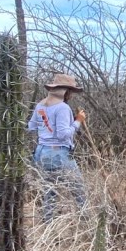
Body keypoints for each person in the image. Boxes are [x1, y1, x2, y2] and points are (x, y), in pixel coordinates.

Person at [27, 73, 87, 219]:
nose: (71, 95)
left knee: (49, 191)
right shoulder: (62, 108)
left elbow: (31, 126)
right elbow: (63, 134)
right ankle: (87, 222)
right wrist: (78, 121)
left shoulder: (40, 105)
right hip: (58, 153)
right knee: (78, 190)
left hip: (41, 152)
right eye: (71, 91)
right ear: (65, 91)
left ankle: (49, 225)